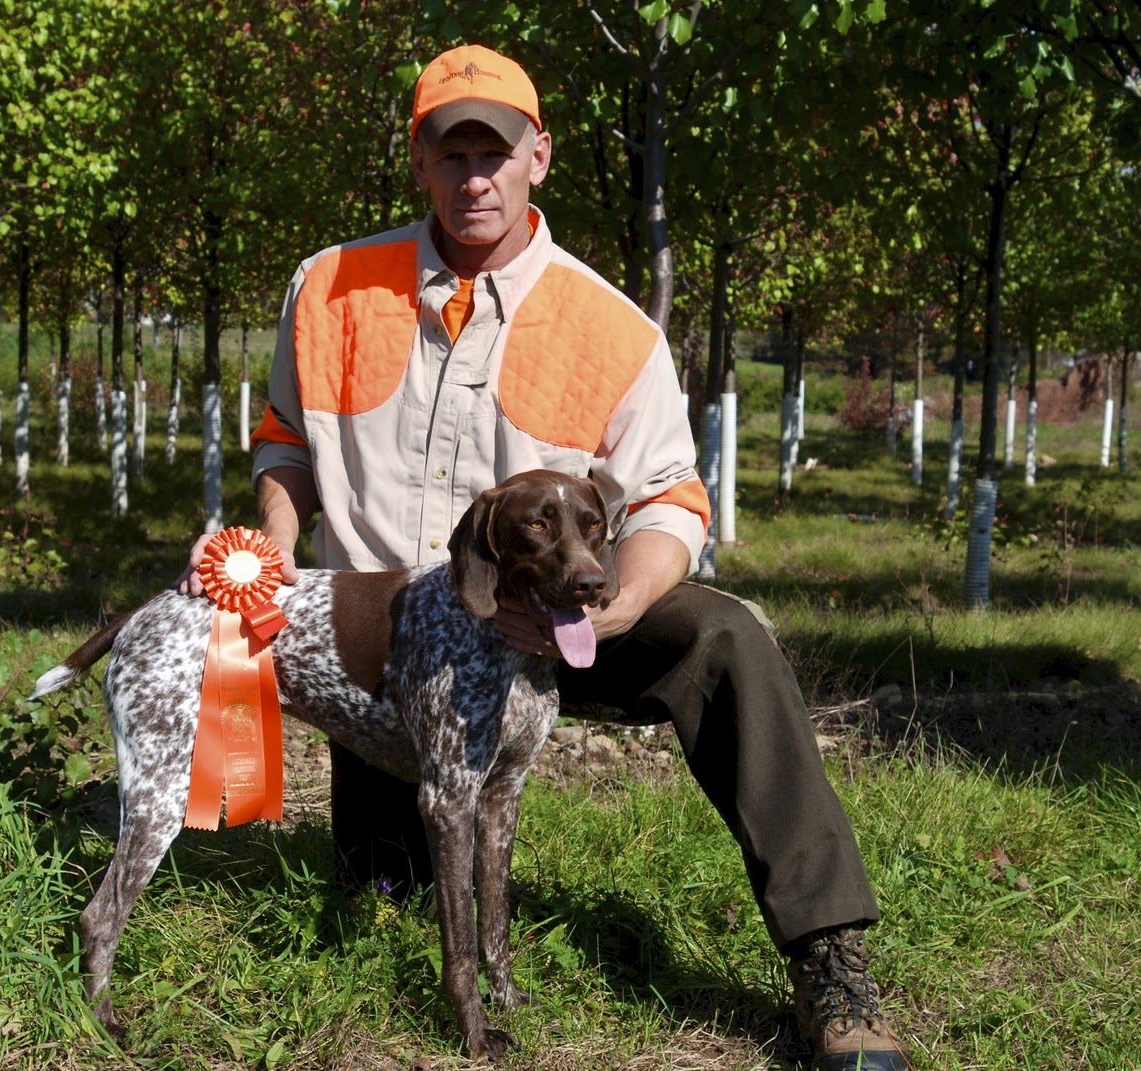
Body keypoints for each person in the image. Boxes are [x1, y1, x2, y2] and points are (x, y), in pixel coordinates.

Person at [179, 44, 912, 1071]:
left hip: (559, 621)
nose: (474, 177)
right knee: (378, 890)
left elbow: (669, 499)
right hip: (391, 643)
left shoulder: (609, 324)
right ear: (419, 163)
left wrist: (615, 609)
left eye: (498, 153)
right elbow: (287, 445)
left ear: (540, 157)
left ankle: (829, 961)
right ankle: (385, 882)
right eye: (452, 154)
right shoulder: (329, 286)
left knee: (725, 636)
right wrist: (270, 570)